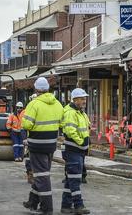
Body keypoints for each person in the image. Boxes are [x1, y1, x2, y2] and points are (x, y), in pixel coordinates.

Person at [21, 77, 64, 215]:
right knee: (42, 173)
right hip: (51, 144)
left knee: (41, 176)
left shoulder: (34, 104)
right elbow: (62, 123)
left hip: (37, 145)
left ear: (36, 89)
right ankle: (32, 202)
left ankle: (47, 207)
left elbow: (26, 124)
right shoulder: (57, 104)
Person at [60, 88, 91, 214]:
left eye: (84, 98)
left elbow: (86, 128)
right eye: (82, 99)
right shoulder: (70, 113)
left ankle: (66, 206)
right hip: (73, 149)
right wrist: (81, 141)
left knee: (70, 179)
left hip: (78, 150)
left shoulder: (80, 113)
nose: (84, 101)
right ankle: (79, 205)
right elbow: (70, 131)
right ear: (75, 100)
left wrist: (86, 141)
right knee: (75, 179)